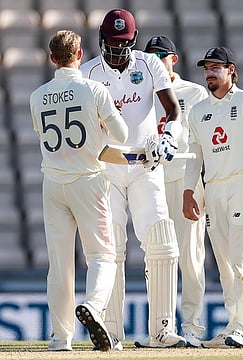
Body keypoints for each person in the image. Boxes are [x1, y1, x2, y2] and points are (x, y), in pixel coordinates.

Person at [80, 9, 186, 349]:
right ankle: (110, 331)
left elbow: (172, 109)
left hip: (146, 164)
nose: (117, 49)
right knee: (110, 248)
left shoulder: (150, 65)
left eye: (123, 43)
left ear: (134, 40)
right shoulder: (88, 73)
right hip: (106, 168)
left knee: (161, 239)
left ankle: (162, 329)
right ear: (101, 38)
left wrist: (168, 135)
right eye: (111, 42)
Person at [30, 30, 128, 351]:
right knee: (102, 256)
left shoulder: (37, 95)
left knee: (59, 264)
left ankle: (60, 338)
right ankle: (95, 307)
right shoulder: (93, 89)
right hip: (89, 180)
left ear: (51, 58)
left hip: (53, 183)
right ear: (80, 55)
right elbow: (122, 135)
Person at [182, 46, 243, 349]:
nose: (209, 73)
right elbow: (194, 156)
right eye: (206, 68)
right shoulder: (198, 111)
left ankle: (242, 328)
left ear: (231, 70)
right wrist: (188, 191)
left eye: (215, 67)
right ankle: (233, 323)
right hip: (213, 189)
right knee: (224, 264)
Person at [144, 35, 209, 348]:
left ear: (175, 59)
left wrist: (196, 187)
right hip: (150, 180)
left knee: (191, 256)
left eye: (162, 55)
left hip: (185, 179)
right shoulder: (141, 91)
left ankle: (193, 325)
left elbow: (200, 143)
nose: (156, 59)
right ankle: (161, 325)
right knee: (156, 256)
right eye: (151, 55)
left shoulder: (193, 93)